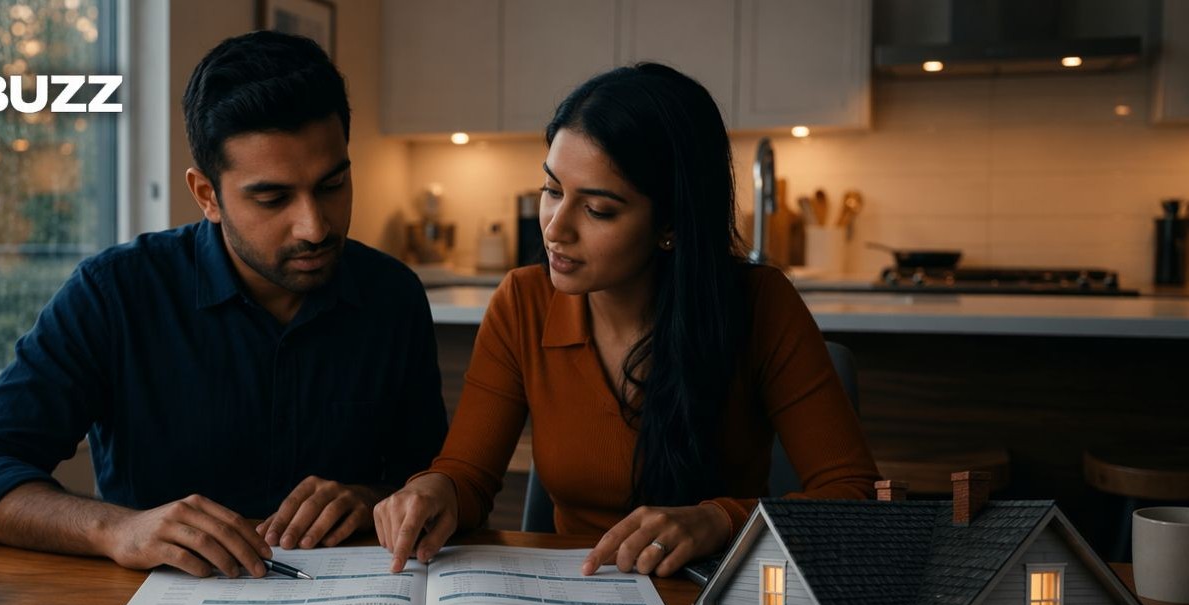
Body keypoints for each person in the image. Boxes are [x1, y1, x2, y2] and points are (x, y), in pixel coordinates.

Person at [0, 31, 447, 579]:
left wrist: (373, 498)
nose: (315, 225)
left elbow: (439, 480)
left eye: (332, 185)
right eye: (273, 198)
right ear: (206, 194)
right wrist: (117, 529)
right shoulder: (115, 293)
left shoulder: (392, 295)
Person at [374, 63, 879, 577]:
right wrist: (435, 490)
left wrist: (719, 520)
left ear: (670, 224)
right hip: (577, 594)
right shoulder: (522, 303)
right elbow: (468, 476)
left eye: (598, 210)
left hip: (724, 599)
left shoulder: (761, 304)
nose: (555, 228)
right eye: (551, 191)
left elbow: (852, 499)